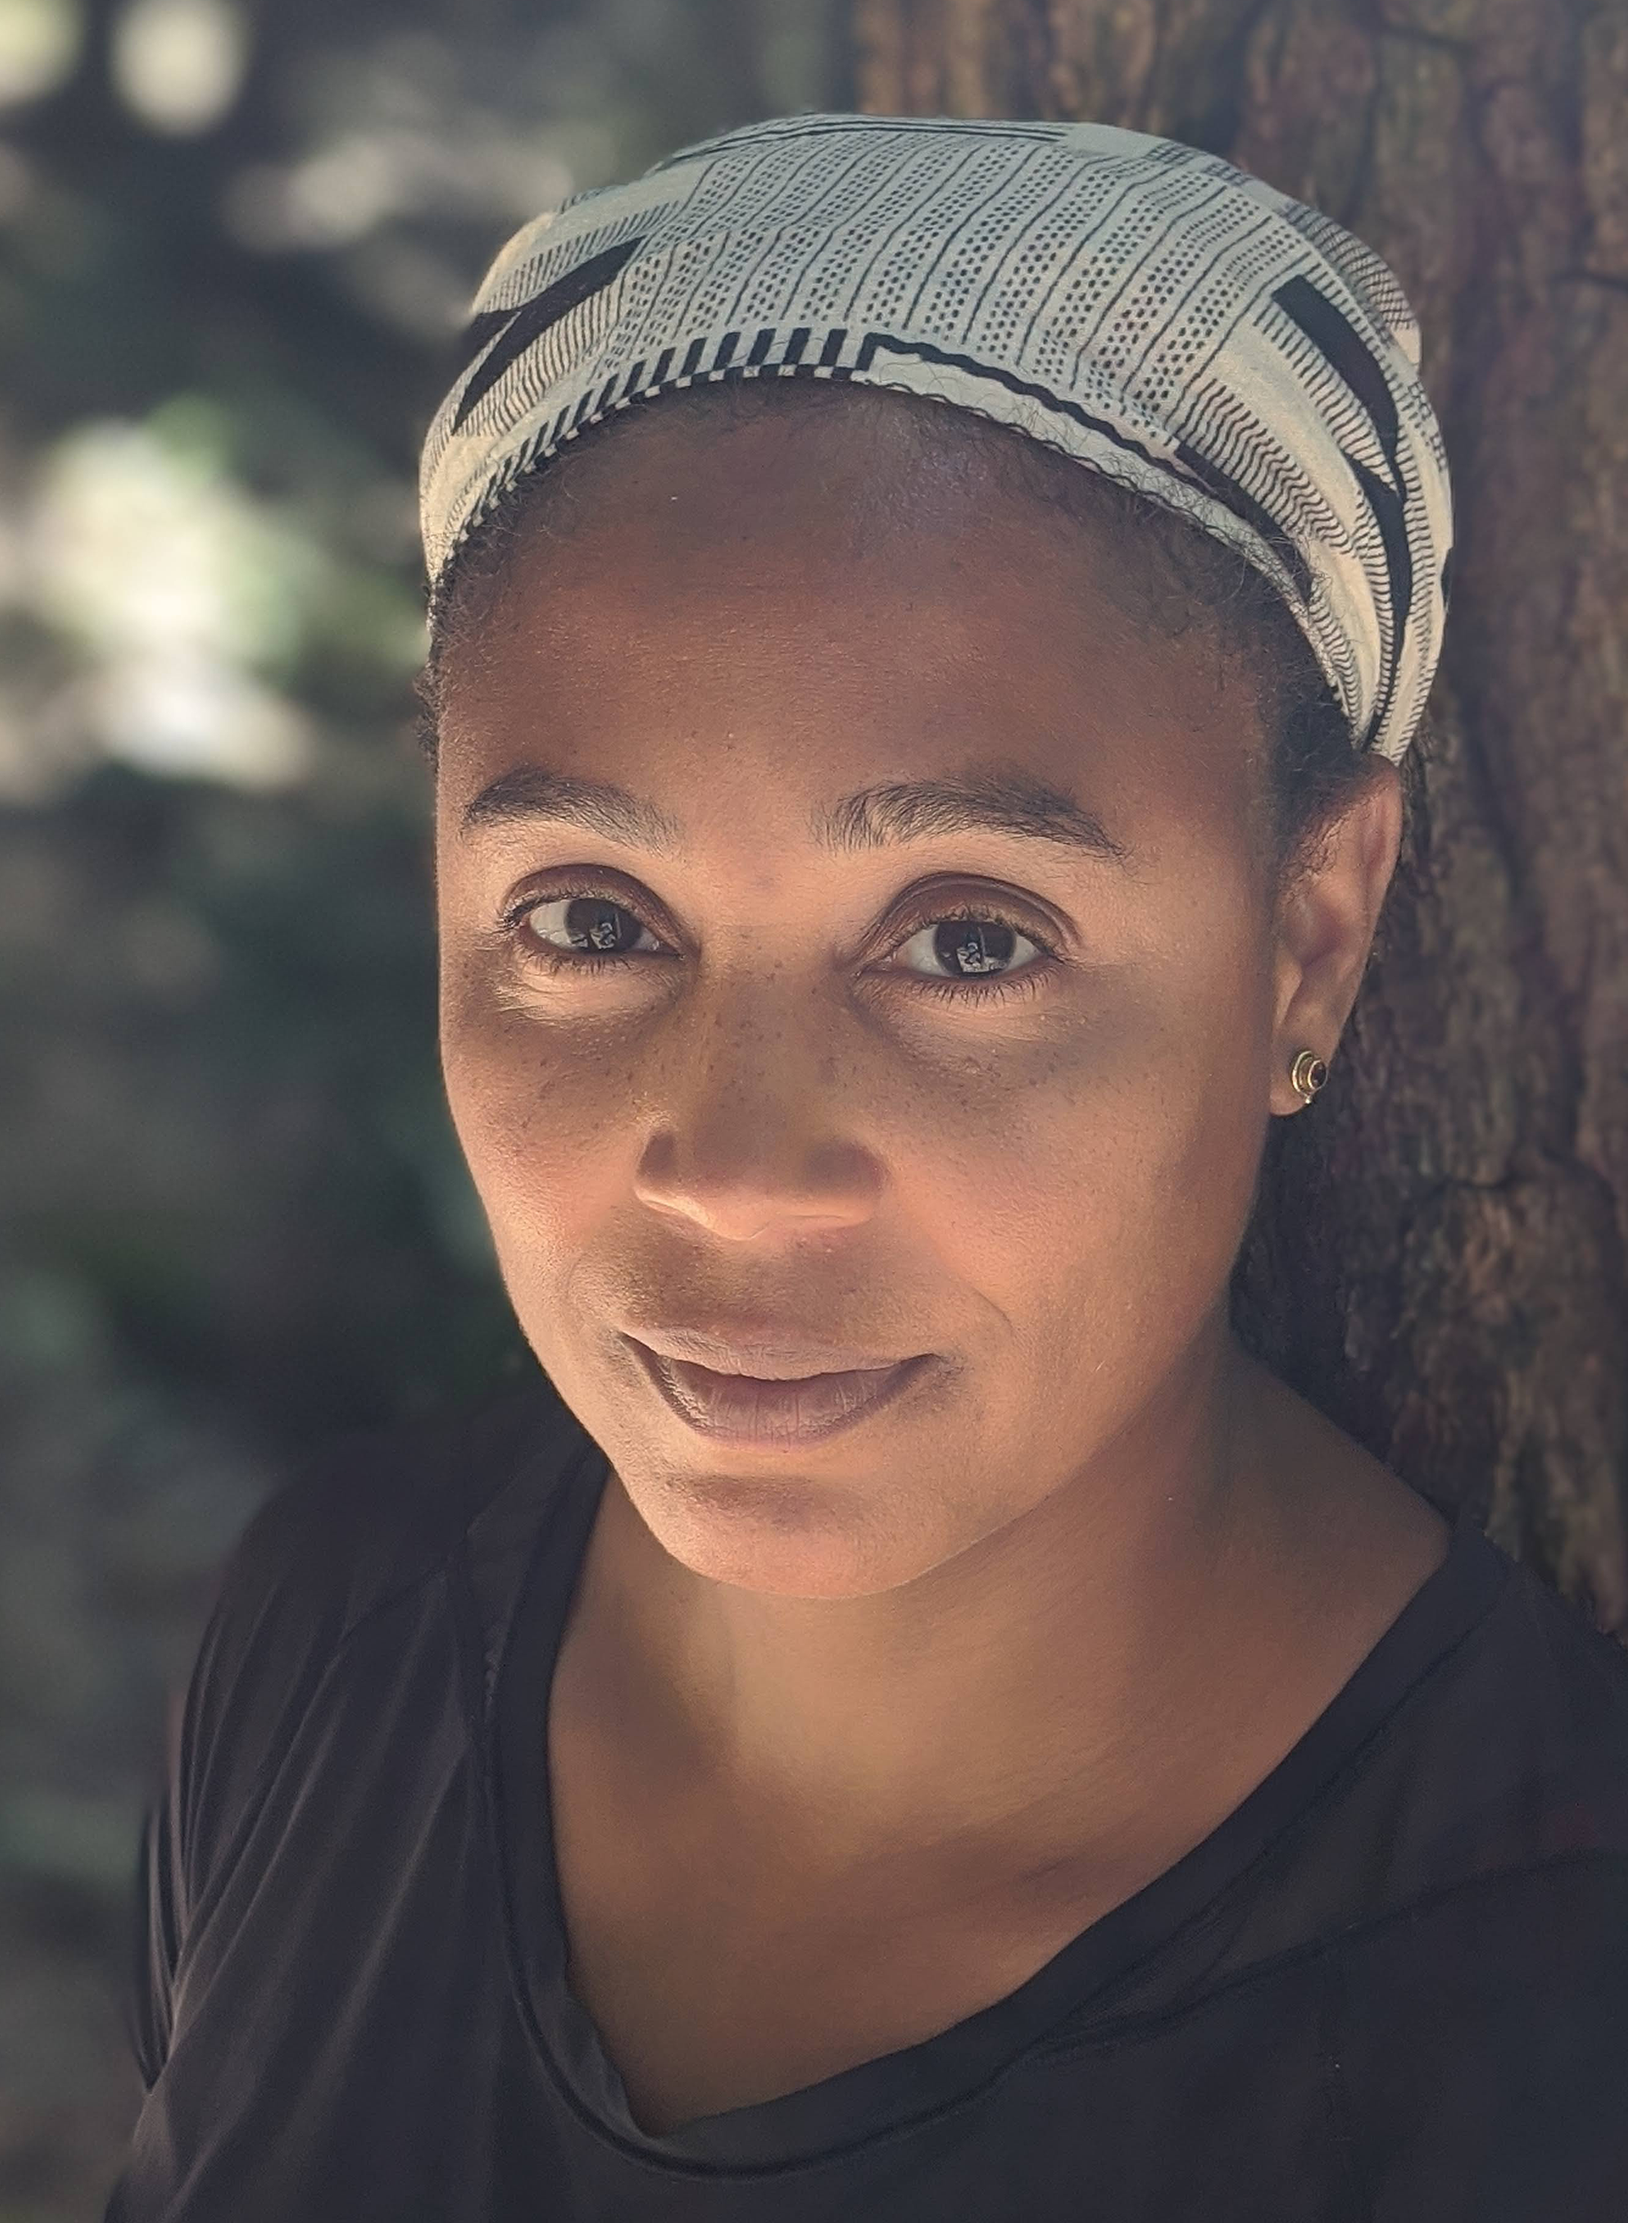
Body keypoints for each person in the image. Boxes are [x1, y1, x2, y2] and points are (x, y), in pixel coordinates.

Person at [106, 115, 1628, 2222]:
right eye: (590, 920)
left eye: (970, 940)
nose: (737, 1177)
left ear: (1310, 933)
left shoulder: (1551, 2019)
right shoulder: (337, 1634)